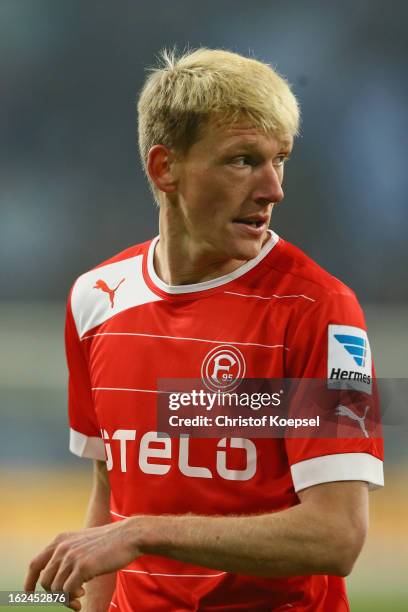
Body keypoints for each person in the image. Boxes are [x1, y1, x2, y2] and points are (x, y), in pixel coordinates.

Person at [25, 48, 384, 611]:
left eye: (280, 160)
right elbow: (111, 496)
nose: (273, 189)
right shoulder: (95, 299)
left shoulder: (318, 309)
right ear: (164, 167)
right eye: (243, 160)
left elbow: (336, 535)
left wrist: (143, 533)